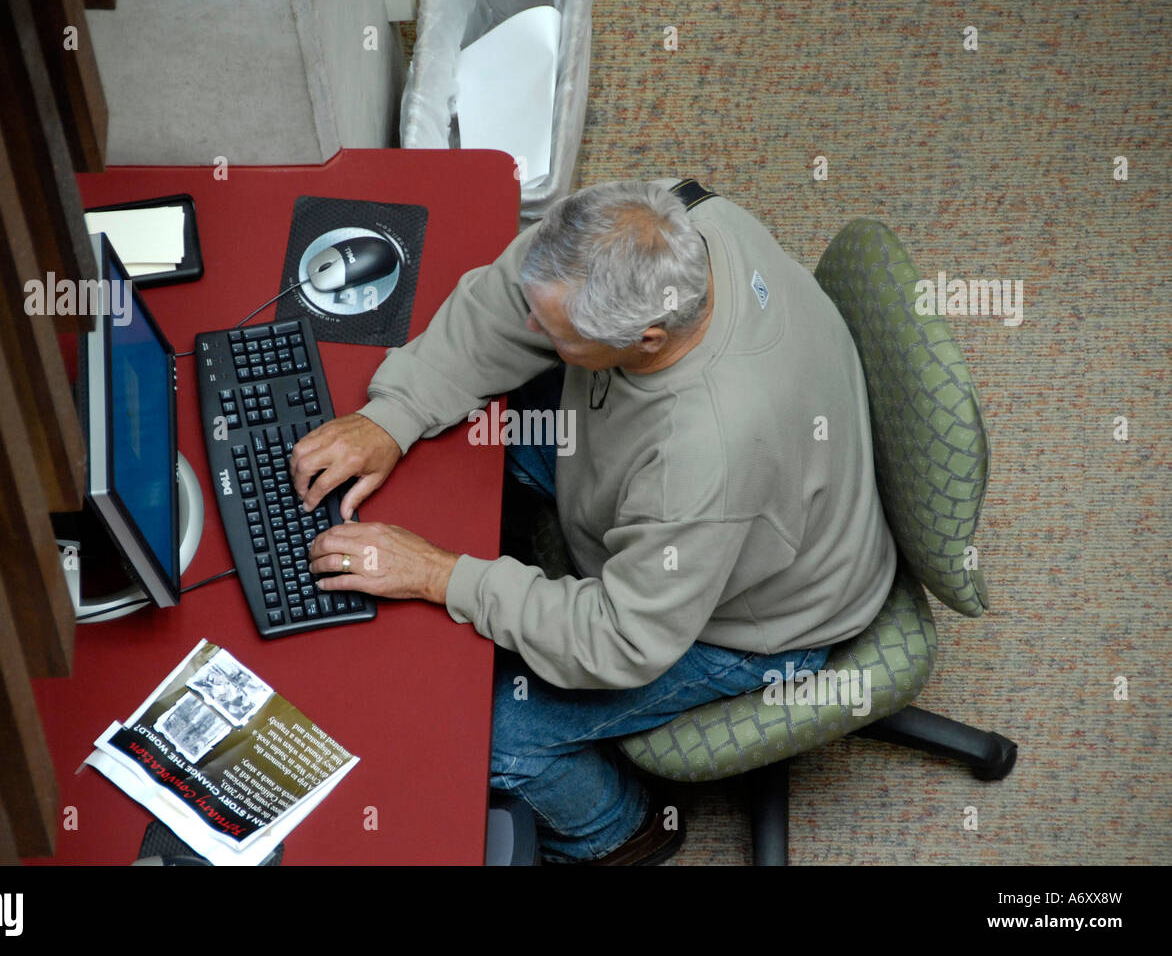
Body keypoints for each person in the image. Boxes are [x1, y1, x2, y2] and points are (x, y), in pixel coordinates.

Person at [290, 179, 897, 864]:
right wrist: (393, 415)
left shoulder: (704, 456)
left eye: (556, 334)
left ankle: (620, 832)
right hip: (642, 475)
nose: (528, 329)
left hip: (752, 621)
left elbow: (622, 639)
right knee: (466, 436)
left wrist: (438, 574)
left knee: (484, 734)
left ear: (647, 338)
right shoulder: (675, 218)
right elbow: (503, 305)